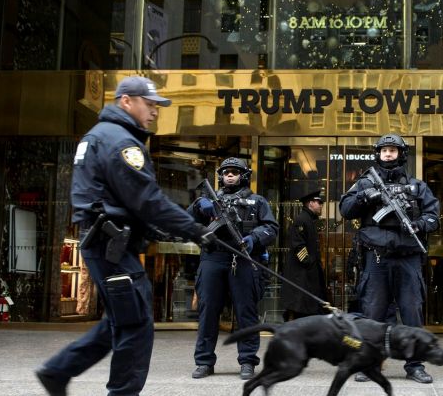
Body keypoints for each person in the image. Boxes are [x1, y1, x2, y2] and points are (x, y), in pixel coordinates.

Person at [36, 76, 218, 395]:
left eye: (156, 107)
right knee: (135, 326)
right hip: (112, 248)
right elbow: (148, 201)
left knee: (120, 320)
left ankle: (57, 371)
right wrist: (196, 230)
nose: (154, 112)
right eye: (149, 105)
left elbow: (129, 200)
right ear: (126, 101)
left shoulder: (100, 136)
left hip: (107, 244)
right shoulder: (120, 143)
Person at [339, 134, 440, 384]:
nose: (387, 154)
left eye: (392, 150)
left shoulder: (417, 186)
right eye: (384, 150)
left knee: (412, 312)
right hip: (377, 258)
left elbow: (434, 216)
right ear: (378, 154)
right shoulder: (364, 182)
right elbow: (345, 209)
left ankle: (415, 365)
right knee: (372, 313)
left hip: (408, 258)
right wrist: (366, 196)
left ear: (401, 154)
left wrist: (417, 225)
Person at [189, 157, 279, 381]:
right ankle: (204, 361)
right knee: (208, 312)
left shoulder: (257, 201)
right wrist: (198, 205)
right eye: (226, 172)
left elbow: (271, 228)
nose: (230, 175)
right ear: (220, 176)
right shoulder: (208, 199)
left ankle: (247, 360)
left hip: (244, 259)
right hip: (213, 257)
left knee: (246, 313)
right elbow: (187, 222)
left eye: (235, 172)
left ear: (244, 176)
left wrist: (253, 239)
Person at [281, 190, 328, 321]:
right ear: (310, 203)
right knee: (299, 307)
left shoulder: (309, 219)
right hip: (302, 273)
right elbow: (298, 245)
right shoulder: (302, 220)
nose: (321, 205)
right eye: (319, 202)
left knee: (308, 306)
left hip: (307, 273)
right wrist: (308, 262)